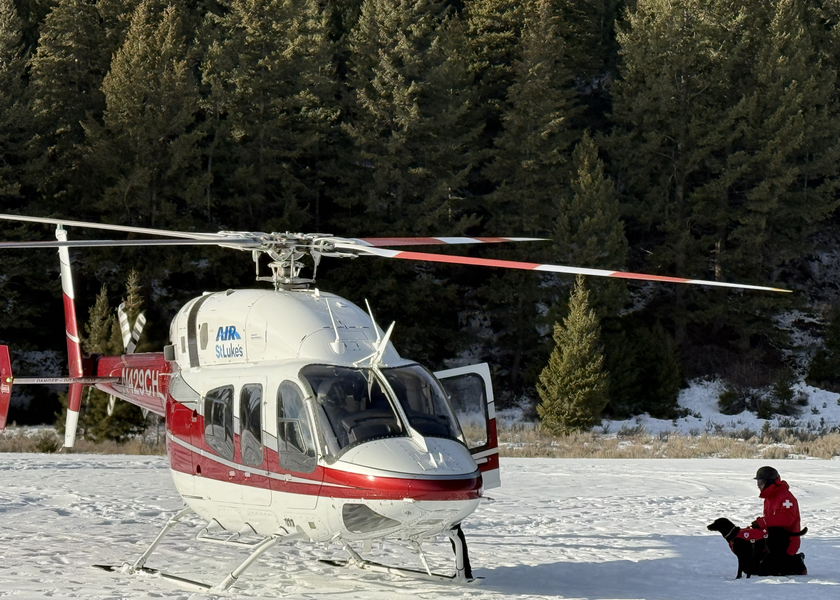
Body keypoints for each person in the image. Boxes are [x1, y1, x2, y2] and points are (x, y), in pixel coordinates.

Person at [751, 465, 807, 575]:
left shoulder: (786, 497)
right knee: (753, 568)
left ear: (770, 482)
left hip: (786, 541)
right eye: (758, 483)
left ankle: (797, 562)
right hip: (773, 541)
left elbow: (787, 519)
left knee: (767, 571)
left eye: (761, 482)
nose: (758, 486)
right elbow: (770, 520)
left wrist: (763, 522)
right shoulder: (769, 497)